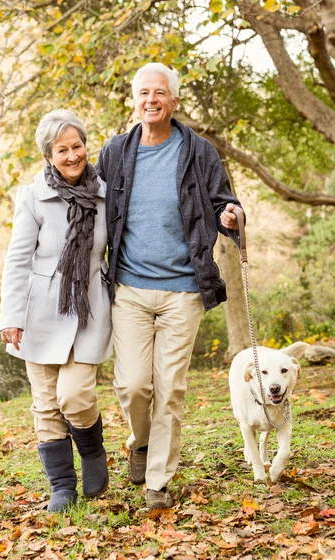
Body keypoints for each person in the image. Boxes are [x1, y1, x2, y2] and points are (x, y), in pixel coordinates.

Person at [96, 63, 243, 509]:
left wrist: (232, 216)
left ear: (174, 101)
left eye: (160, 93)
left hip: (184, 289)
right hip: (130, 288)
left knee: (171, 387)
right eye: (144, 93)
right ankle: (140, 444)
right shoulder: (115, 152)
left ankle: (156, 481)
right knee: (134, 385)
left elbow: (225, 200)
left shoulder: (199, 152)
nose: (151, 100)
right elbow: (89, 201)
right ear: (134, 100)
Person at [0, 109, 112, 512]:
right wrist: (10, 316)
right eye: (61, 149)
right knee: (46, 403)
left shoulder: (105, 192)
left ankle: (93, 453)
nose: (71, 156)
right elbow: (17, 259)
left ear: (86, 146)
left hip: (89, 305)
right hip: (41, 309)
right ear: (48, 155)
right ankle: (62, 486)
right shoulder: (32, 195)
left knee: (76, 394)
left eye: (77, 146)